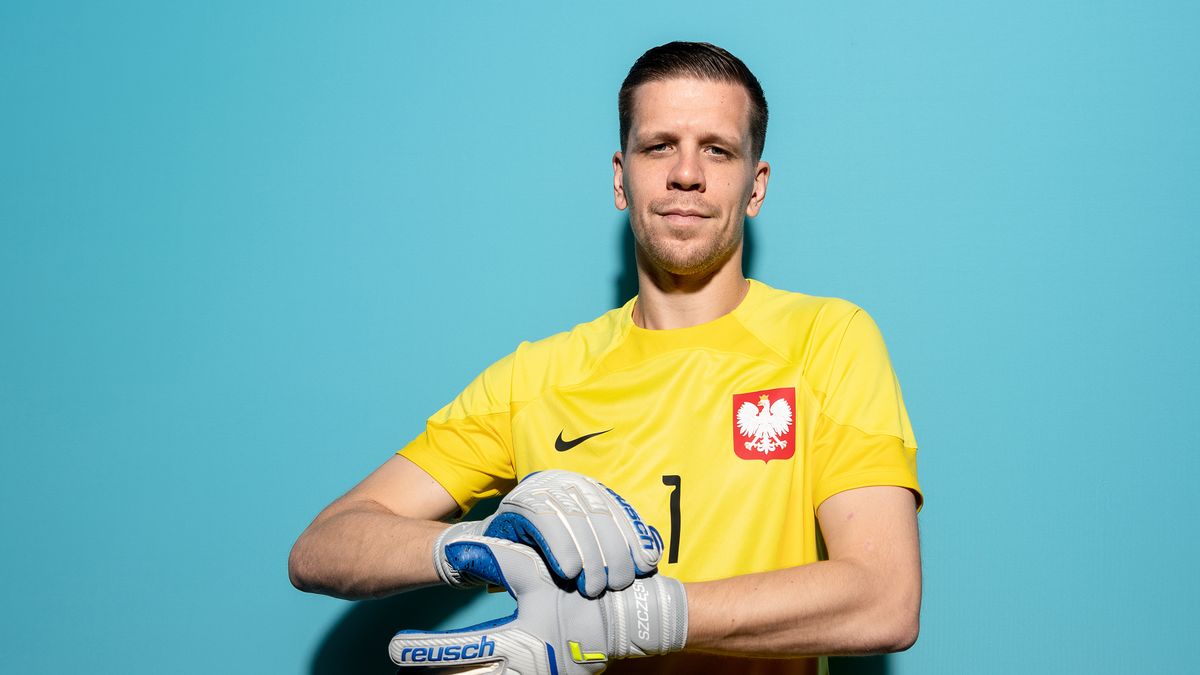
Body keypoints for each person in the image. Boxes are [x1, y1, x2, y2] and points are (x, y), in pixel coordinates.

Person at [290, 41, 922, 675]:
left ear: (755, 186)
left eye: (717, 149)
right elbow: (322, 547)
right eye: (659, 146)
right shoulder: (536, 377)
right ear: (622, 178)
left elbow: (885, 599)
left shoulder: (826, 340)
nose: (686, 175)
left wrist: (623, 623)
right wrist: (477, 547)